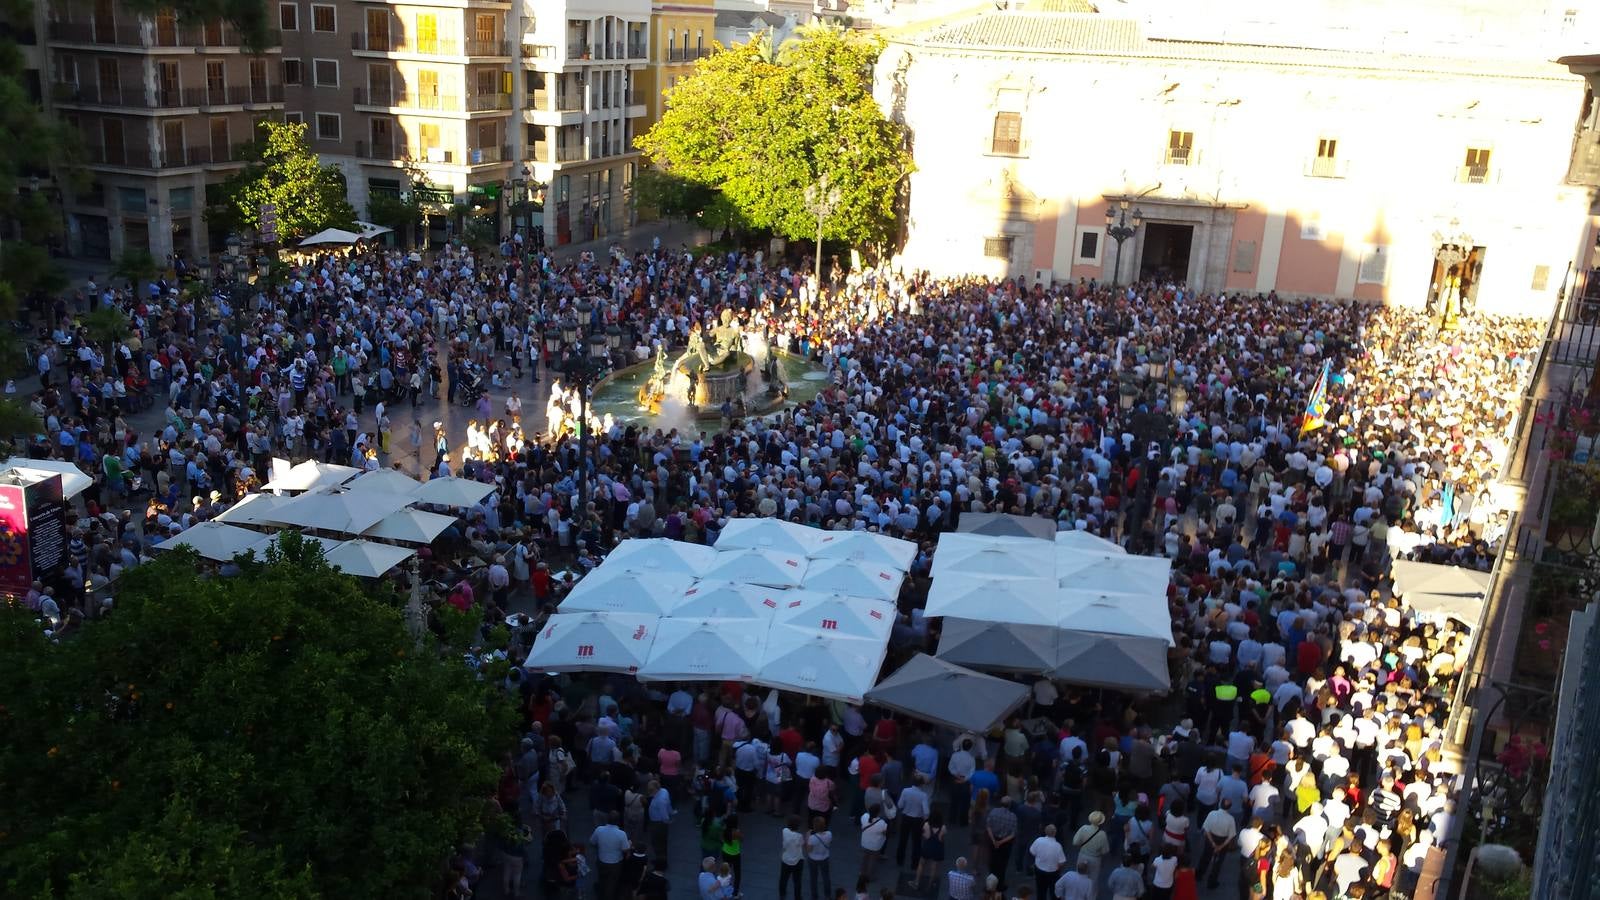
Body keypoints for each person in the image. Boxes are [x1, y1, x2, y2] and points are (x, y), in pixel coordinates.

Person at [1071, 810, 1111, 889]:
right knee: (1093, 879)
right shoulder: (1102, 834)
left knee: (1080, 876)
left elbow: (1075, 842)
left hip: (1082, 855)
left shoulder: (1083, 828)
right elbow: (1105, 851)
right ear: (1101, 822)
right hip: (1095, 858)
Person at [1029, 823, 1067, 900]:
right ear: (1055, 833)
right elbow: (1062, 861)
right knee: (1053, 891)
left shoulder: (1038, 840)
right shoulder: (1057, 846)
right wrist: (1058, 867)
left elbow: (1032, 852)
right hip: (1052, 872)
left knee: (1040, 890)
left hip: (1039, 869)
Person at [912, 810, 947, 893]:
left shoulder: (926, 825)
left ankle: (916, 882)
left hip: (927, 847)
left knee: (921, 864)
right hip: (937, 848)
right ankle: (930, 885)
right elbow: (942, 839)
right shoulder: (943, 827)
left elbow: (924, 836)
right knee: (934, 867)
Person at [859, 803, 890, 885]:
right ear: (878, 812)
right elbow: (885, 833)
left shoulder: (864, 816)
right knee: (872, 861)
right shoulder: (882, 823)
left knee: (864, 858)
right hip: (875, 845)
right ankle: (869, 876)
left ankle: (862, 873)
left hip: (865, 843)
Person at [806, 815, 834, 900]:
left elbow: (808, 850)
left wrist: (807, 837)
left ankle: (814, 896)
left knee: (813, 878)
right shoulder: (829, 834)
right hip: (824, 858)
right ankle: (827, 895)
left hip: (813, 859)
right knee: (826, 877)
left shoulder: (812, 838)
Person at [780, 815, 806, 900]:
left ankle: (782, 893)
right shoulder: (799, 836)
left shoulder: (784, 831)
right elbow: (803, 844)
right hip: (797, 860)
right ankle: (797, 897)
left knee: (783, 878)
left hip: (786, 859)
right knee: (797, 880)